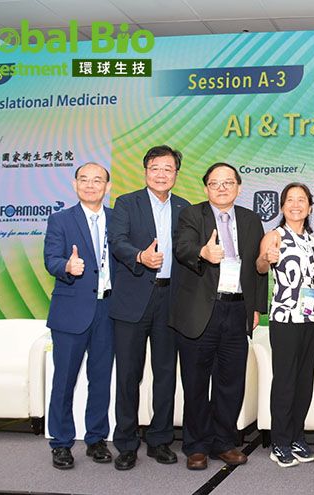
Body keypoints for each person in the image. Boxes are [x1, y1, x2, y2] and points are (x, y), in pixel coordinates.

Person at [169, 163, 267, 471]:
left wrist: (256, 307)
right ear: (206, 188)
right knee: (196, 382)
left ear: (239, 187)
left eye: (228, 183)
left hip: (237, 310)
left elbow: (258, 268)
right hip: (201, 311)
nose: (222, 188)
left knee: (231, 381)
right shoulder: (191, 215)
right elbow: (182, 247)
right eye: (215, 183)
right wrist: (203, 252)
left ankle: (224, 442)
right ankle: (196, 445)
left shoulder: (251, 219)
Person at [107, 145, 190, 470]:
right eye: (155, 168)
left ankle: (160, 440)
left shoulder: (184, 207)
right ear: (145, 171)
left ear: (176, 174)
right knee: (129, 374)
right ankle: (127, 443)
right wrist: (140, 256)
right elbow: (117, 242)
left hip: (170, 299)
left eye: (168, 169)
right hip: (133, 300)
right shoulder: (127, 203)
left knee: (166, 374)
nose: (161, 174)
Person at [43, 162, 115, 470]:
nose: (90, 185)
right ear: (74, 185)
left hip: (108, 311)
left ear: (107, 187)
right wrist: (66, 267)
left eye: (97, 180)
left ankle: (96, 438)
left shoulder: (117, 219)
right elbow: (51, 258)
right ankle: (61, 443)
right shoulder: (60, 219)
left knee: (101, 379)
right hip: (71, 311)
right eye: (83, 179)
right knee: (64, 380)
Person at [255, 183, 314, 468]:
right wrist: (265, 258)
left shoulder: (313, 239)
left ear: (310, 206)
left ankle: (297, 437)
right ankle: (280, 442)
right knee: (285, 380)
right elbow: (259, 267)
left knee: (304, 382)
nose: (296, 205)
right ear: (282, 206)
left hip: (310, 318)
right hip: (284, 317)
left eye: (301, 200)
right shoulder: (274, 236)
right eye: (290, 200)